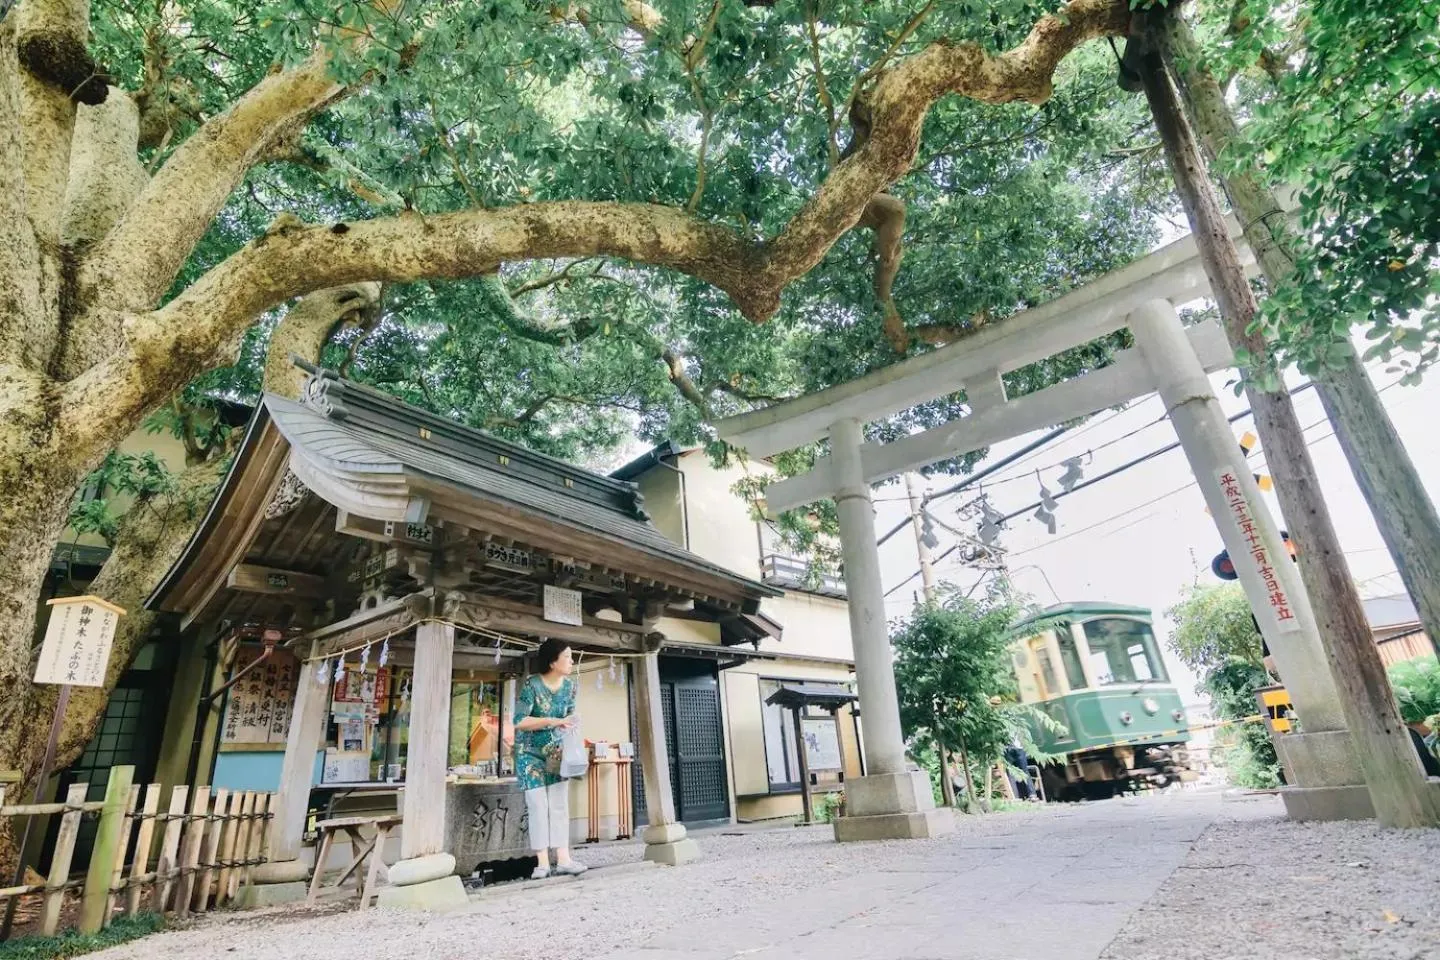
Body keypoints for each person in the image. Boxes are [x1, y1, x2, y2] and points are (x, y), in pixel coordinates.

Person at [513, 639, 587, 879]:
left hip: (556, 753)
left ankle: (564, 859)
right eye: (567, 656)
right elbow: (519, 722)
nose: (571, 661)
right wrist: (552, 721)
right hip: (529, 754)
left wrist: (571, 726)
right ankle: (542, 862)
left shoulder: (571, 687)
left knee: (559, 805)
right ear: (553, 661)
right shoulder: (531, 685)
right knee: (537, 806)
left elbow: (569, 716)